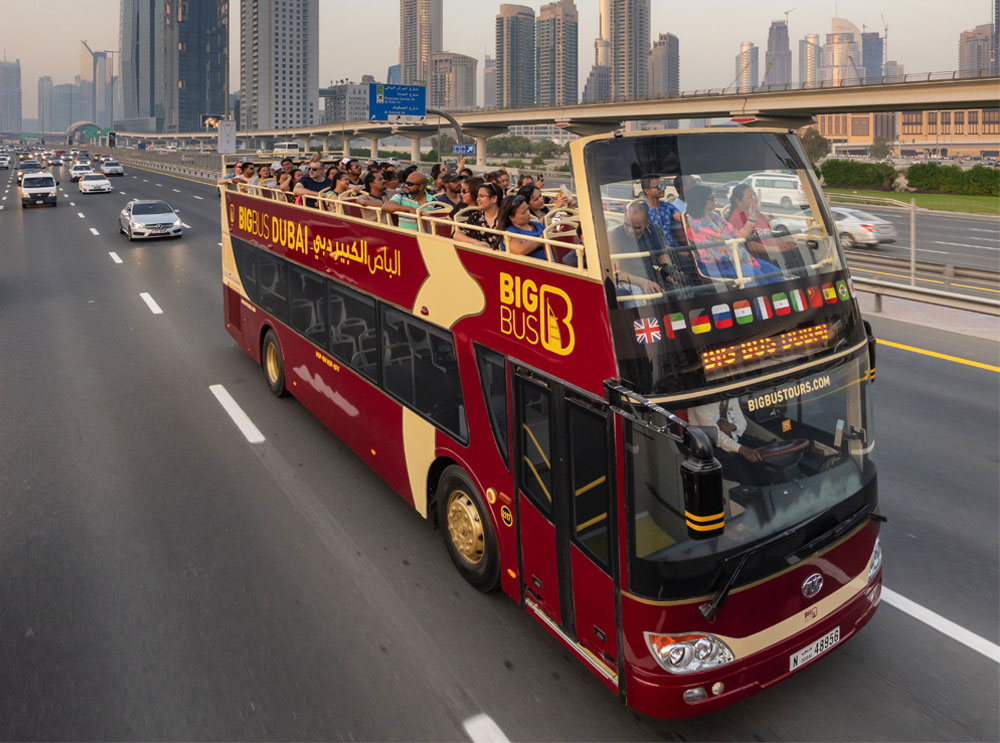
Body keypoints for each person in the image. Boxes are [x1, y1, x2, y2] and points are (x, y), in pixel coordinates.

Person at [684, 185, 781, 284]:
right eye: (711, 197)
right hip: (717, 264)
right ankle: (763, 299)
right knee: (757, 276)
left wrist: (752, 217)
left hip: (734, 258)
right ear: (701, 201)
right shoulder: (696, 225)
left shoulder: (715, 216)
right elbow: (726, 246)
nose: (715, 200)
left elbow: (737, 236)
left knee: (774, 272)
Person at [687, 397, 766, 486]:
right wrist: (742, 450)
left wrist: (733, 426)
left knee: (760, 467)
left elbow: (742, 422)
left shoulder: (730, 395)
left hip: (732, 442)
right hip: (708, 447)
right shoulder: (701, 405)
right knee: (742, 475)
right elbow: (716, 437)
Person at [607, 203, 675, 296]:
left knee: (677, 290)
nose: (630, 230)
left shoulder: (654, 231)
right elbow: (615, 273)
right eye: (627, 225)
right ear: (624, 217)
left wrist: (669, 270)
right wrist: (644, 283)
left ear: (647, 224)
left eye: (637, 227)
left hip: (651, 276)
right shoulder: (613, 237)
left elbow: (662, 255)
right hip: (629, 281)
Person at [498, 193, 547, 261]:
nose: (528, 213)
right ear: (512, 217)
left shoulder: (537, 225)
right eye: (523, 213)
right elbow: (520, 250)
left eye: (527, 209)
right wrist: (542, 238)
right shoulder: (510, 233)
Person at [455, 182, 503, 249]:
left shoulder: (505, 216)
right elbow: (457, 235)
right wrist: (476, 242)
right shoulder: (476, 216)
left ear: (494, 199)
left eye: (482, 196)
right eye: (478, 196)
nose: (478, 199)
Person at [640, 176, 680, 247]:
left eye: (663, 186)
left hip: (674, 250)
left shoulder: (667, 206)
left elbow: (682, 218)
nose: (663, 189)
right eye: (658, 187)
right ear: (647, 191)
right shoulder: (641, 210)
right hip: (656, 250)